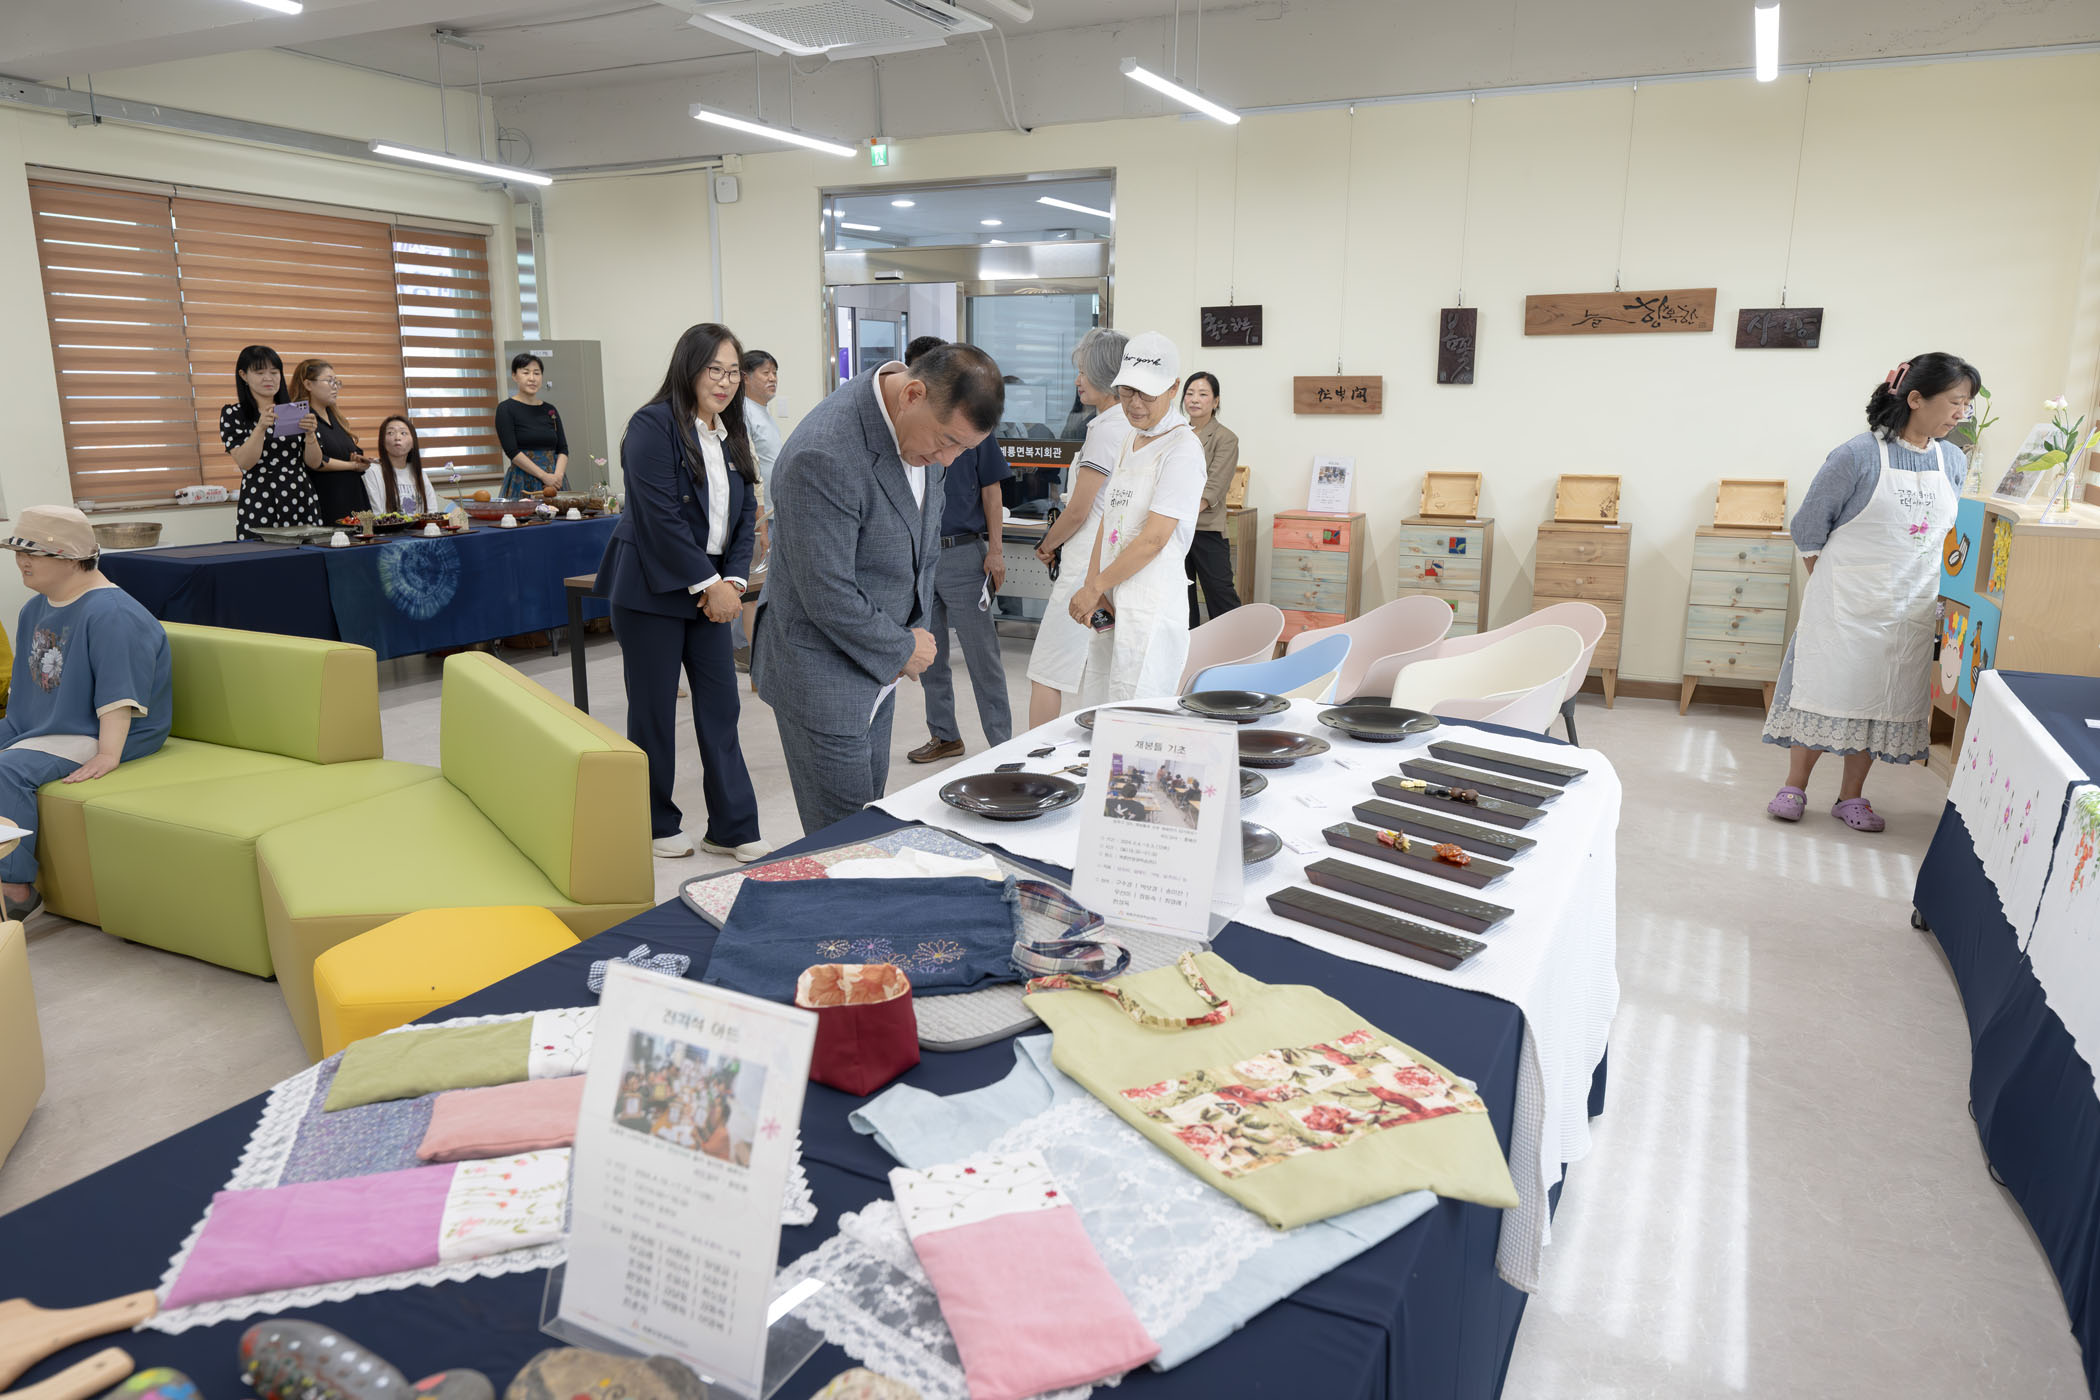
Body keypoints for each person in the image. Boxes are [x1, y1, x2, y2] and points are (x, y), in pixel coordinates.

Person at [753, 344, 1004, 835]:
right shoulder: (823, 453)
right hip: (821, 671)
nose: (948, 459)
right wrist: (902, 645)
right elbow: (825, 591)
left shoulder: (922, 431)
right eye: (948, 442)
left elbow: (921, 545)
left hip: (876, 666)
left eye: (963, 450)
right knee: (842, 839)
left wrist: (908, 634)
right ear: (912, 394)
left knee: (868, 815)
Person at [1763, 351, 1981, 832]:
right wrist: (1830, 582)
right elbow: (1807, 526)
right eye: (1955, 402)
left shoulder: (1951, 460)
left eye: (1967, 404)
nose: (1962, 414)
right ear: (1916, 398)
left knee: (1879, 699)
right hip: (1845, 603)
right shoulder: (1856, 455)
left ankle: (1851, 797)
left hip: (1909, 607)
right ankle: (1794, 786)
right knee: (1826, 690)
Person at [597, 322, 769, 863]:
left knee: (721, 708)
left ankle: (732, 826)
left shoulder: (730, 429)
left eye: (733, 372)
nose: (725, 381)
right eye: (714, 369)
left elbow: (747, 511)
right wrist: (711, 583)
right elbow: (660, 517)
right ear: (689, 369)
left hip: (713, 590)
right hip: (652, 588)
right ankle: (654, 821)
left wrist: (733, 581)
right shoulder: (651, 425)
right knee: (653, 712)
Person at [0, 507, 172, 918]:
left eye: (35, 553)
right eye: (19, 551)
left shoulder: (113, 613)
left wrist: (109, 754)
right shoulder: (34, 608)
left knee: (7, 770)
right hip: (45, 723)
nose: (23, 561)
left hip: (100, 730)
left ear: (72, 557)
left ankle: (16, 890)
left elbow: (120, 696)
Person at [1067, 332, 1207, 705]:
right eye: (1127, 391)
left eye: (1147, 393)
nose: (1135, 403)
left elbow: (1154, 538)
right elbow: (1109, 517)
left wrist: (1096, 586)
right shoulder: (1130, 439)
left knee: (1137, 706)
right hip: (1111, 595)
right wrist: (1093, 584)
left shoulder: (1183, 449)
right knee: (1101, 699)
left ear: (1173, 388)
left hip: (1149, 601)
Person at [901, 335, 1015, 763]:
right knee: (929, 654)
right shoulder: (907, 428)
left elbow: (992, 490)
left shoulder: (971, 422)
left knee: (983, 657)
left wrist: (995, 550)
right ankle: (945, 735)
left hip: (963, 554)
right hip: (920, 558)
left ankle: (1003, 745)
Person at [1024, 329, 1130, 728]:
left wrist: (1047, 545)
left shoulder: (1104, 429)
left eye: (1084, 371)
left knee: (1047, 668)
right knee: (1104, 667)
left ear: (1105, 374)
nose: (1077, 380)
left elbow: (1078, 511)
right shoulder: (1134, 426)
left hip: (1084, 562)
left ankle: (1034, 755)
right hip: (1114, 559)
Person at [221, 345, 322, 540]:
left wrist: (310, 435)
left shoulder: (294, 411)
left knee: (307, 552)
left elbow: (314, 462)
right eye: (260, 373)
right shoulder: (234, 414)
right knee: (262, 553)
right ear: (243, 375)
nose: (269, 378)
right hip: (260, 496)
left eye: (274, 372)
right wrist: (260, 428)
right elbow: (245, 462)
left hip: (299, 494)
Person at [1181, 370, 1243, 624]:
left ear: (1215, 401)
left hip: (1205, 528)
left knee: (1220, 594)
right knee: (1181, 600)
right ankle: (1188, 647)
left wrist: (1182, 512)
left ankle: (1236, 645)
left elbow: (1215, 486)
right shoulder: (1175, 434)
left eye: (1203, 394)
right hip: (1174, 529)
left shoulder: (1225, 438)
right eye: (1190, 393)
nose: (1195, 399)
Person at [734, 348, 784, 662]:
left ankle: (753, 645)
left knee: (763, 583)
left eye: (774, 373)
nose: (772, 378)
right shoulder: (743, 412)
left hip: (771, 511)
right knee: (751, 584)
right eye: (765, 372)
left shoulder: (762, 411)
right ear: (745, 377)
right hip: (757, 515)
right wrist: (760, 524)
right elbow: (750, 471)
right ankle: (743, 648)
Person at [286, 359, 372, 522]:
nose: (335, 387)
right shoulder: (297, 416)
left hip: (353, 497)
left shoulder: (335, 416)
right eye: (329, 381)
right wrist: (352, 466)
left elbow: (347, 450)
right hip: (326, 500)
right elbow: (316, 461)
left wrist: (357, 459)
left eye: (337, 382)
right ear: (308, 384)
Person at [495, 352, 569, 499]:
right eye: (526, 372)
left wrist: (557, 477)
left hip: (554, 482)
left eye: (536, 373)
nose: (532, 378)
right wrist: (544, 476)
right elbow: (512, 451)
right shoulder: (505, 408)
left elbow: (563, 449)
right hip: (522, 480)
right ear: (514, 376)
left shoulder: (550, 410)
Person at [360, 416, 428, 515]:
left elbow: (431, 512)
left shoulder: (420, 474)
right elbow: (376, 515)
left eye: (403, 433)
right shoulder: (372, 471)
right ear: (382, 441)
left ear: (413, 442)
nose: (397, 438)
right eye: (390, 433)